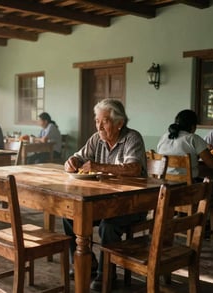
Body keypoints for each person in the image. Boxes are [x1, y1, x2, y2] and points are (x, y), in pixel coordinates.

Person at [63, 98, 147, 291]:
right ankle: (87, 262)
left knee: (108, 225)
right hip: (105, 202)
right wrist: (72, 161)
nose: (99, 126)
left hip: (133, 204)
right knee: (69, 215)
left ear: (119, 123)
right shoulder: (96, 139)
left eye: (105, 121)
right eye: (97, 121)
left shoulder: (132, 138)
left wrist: (99, 166)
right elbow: (80, 155)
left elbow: (134, 169)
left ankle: (105, 274)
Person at [157, 109, 213, 180]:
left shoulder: (164, 137)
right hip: (186, 186)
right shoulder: (193, 138)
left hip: (163, 183)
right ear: (193, 127)